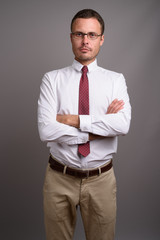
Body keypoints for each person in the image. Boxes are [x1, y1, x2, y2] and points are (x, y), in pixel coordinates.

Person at [38, 9, 131, 240]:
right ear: (71, 37)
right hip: (59, 177)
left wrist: (73, 120)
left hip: (101, 180)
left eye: (91, 34)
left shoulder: (115, 80)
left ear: (102, 39)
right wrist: (96, 131)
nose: (85, 41)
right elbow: (46, 130)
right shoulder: (52, 79)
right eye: (79, 34)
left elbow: (122, 125)